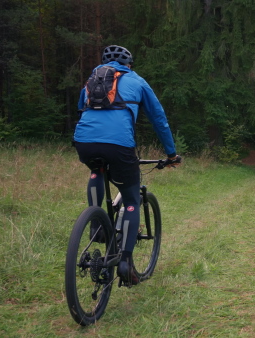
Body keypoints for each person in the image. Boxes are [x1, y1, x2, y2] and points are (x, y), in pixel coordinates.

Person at [73, 45, 180, 285]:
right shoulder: (138, 81)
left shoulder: (92, 80)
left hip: (84, 142)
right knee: (132, 199)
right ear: (128, 64)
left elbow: (81, 110)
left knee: (96, 169)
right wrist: (171, 154)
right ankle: (125, 262)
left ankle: (96, 223)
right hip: (119, 145)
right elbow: (159, 119)